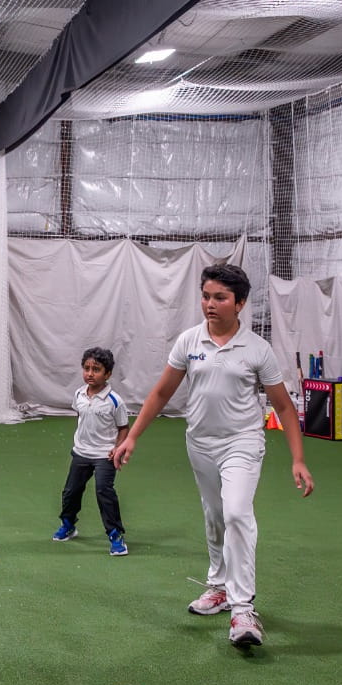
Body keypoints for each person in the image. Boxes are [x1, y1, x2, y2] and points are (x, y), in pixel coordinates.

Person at [112, 263, 313, 648]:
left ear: (240, 303)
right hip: (200, 444)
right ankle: (219, 586)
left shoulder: (258, 349)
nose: (210, 304)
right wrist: (132, 437)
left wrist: (298, 459)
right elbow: (161, 393)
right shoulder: (189, 342)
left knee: (236, 513)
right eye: (205, 296)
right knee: (215, 515)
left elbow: (284, 407)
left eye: (220, 297)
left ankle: (243, 609)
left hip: (243, 443)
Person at [52, 346, 130, 556]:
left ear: (108, 374)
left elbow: (124, 428)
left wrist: (118, 449)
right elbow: (81, 416)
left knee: (104, 491)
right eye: (86, 368)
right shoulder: (79, 394)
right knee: (71, 491)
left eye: (96, 369)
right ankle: (68, 525)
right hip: (81, 453)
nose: (90, 373)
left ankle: (115, 535)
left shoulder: (115, 401)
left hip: (105, 455)